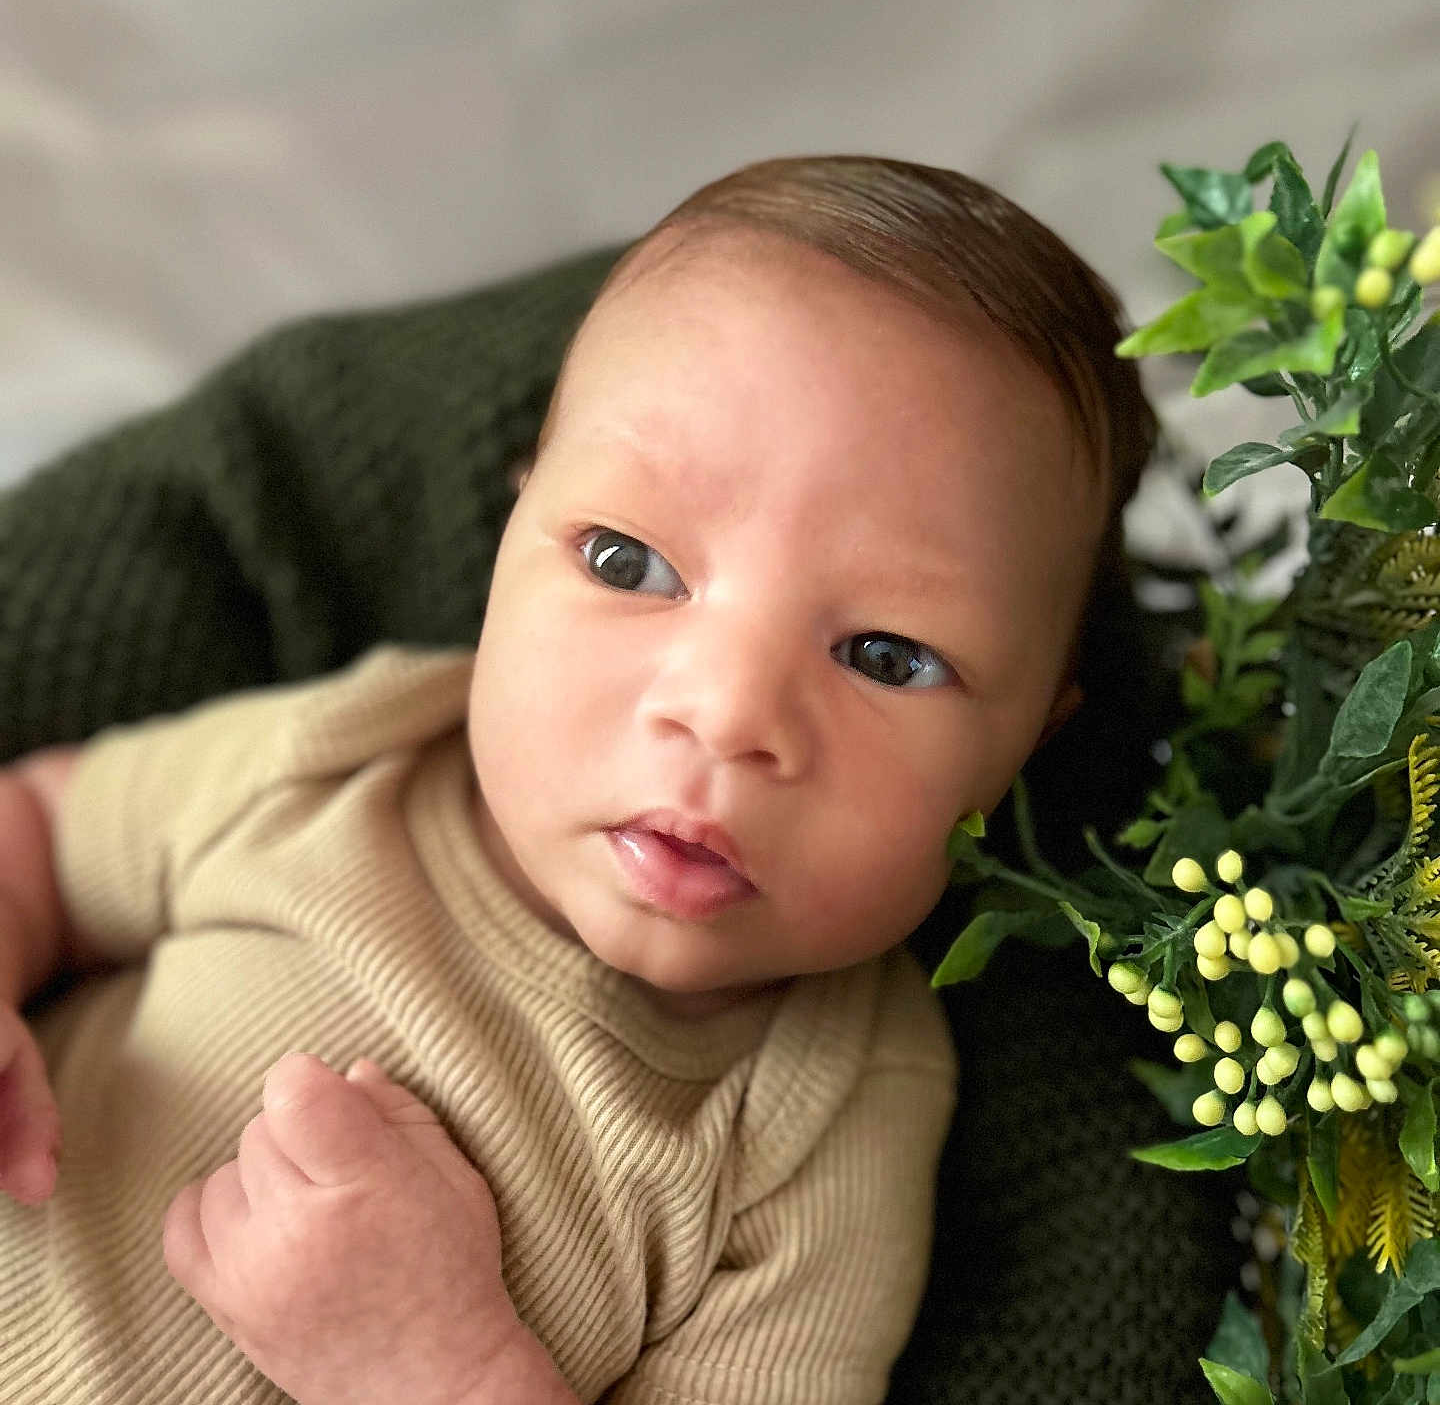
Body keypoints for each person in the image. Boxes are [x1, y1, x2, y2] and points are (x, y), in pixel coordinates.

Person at [0, 156, 1164, 1404]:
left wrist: (432, 1371)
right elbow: (42, 825)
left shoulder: (829, 1123)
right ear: (511, 534)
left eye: (887, 656)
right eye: (629, 561)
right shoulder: (358, 756)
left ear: (1029, 744)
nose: (724, 715)